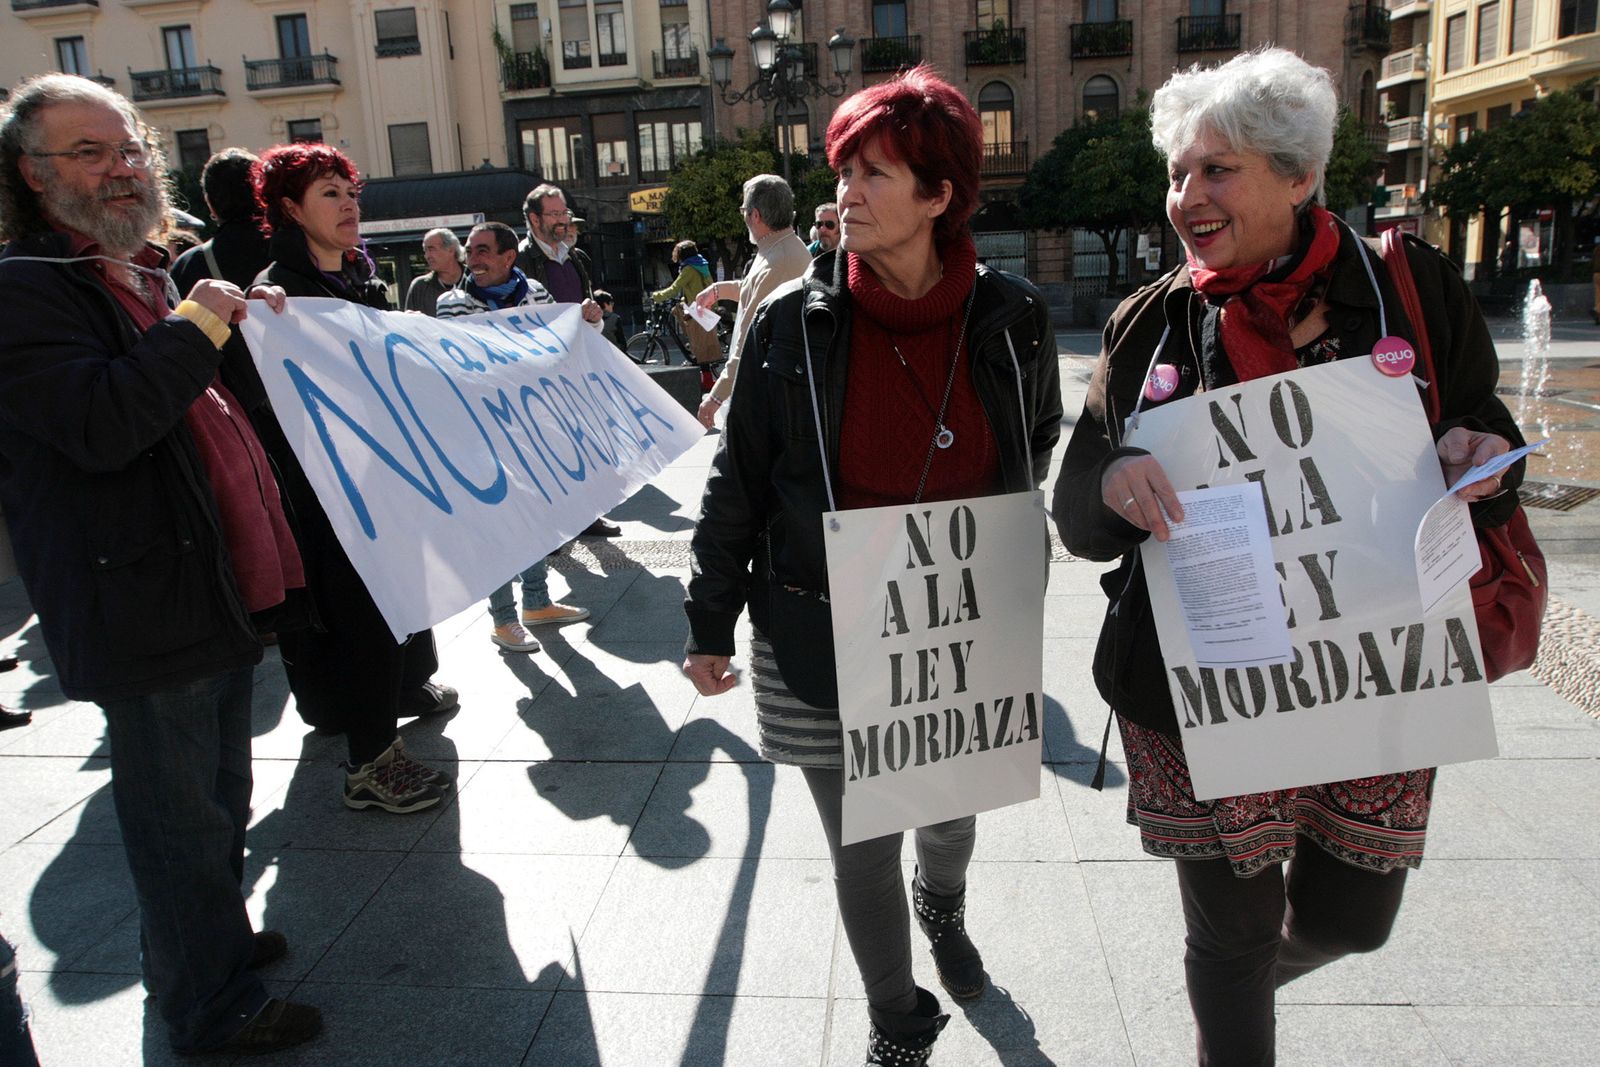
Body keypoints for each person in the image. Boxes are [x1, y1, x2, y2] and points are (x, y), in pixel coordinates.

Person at [1051, 48, 1525, 1066]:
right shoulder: (1147, 320)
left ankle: (1232, 993)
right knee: (1225, 933)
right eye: (1178, 172)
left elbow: (1486, 424)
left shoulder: (1405, 285)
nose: (1187, 196)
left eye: (1216, 169)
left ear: (1298, 174)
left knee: (1355, 919)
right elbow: (1076, 511)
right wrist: (1110, 482)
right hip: (1198, 686)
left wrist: (1481, 455)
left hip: (1369, 674)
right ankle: (1229, 1008)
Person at [681, 66, 1062, 1066]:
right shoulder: (788, 325)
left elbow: (1037, 436)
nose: (846, 191)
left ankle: (944, 902)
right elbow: (739, 482)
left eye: (875, 173)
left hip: (957, 619)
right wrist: (705, 619)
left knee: (944, 819)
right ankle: (897, 1018)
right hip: (818, 626)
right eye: (844, 170)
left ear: (939, 196)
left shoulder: (1010, 315)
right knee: (860, 846)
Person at [0, 73, 319, 1055]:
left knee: (218, 802)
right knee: (178, 823)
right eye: (90, 152)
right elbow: (106, 422)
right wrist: (199, 324)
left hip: (207, 590)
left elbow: (187, 412)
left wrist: (229, 328)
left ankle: (209, 945)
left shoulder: (137, 276)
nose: (122, 168)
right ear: (29, 174)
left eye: (129, 148)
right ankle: (206, 1003)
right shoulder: (22, 290)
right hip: (142, 605)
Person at [252, 142, 459, 814]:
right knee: (361, 617)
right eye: (329, 194)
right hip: (328, 496)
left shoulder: (359, 280)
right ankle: (369, 764)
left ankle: (391, 704)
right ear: (289, 208)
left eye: (351, 192)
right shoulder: (278, 296)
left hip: (384, 481)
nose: (349, 206)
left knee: (395, 605)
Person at [436, 221, 590, 652]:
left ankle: (537, 602)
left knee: (536, 517)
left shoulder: (537, 294)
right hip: (481, 433)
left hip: (532, 430)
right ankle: (503, 619)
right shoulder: (453, 304)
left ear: (508, 257)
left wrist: (586, 323)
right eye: (470, 250)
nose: (474, 258)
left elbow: (554, 348)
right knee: (498, 527)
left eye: (483, 250)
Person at [517, 184, 620, 537]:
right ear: (534, 219)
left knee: (582, 441)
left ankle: (587, 515)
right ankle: (553, 527)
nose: (563, 221)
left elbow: (585, 310)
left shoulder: (576, 257)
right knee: (548, 447)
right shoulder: (519, 261)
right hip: (539, 371)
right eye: (555, 214)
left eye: (565, 214)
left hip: (575, 367)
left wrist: (592, 316)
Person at [693, 174, 810, 429]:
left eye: (743, 210)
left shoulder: (778, 259)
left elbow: (748, 340)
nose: (743, 216)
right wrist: (717, 290)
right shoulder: (781, 247)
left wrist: (716, 396)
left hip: (770, 395)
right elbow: (753, 289)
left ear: (755, 215)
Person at [651, 238, 721, 366]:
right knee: (677, 309)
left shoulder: (689, 269)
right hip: (704, 304)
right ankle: (692, 344)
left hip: (697, 308)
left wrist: (656, 296)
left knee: (700, 347)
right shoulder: (700, 264)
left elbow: (674, 289)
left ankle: (704, 373)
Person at [404, 226, 465, 316]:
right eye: (425, 251)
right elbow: (409, 325)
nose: (427, 256)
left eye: (431, 249)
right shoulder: (420, 287)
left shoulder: (476, 279)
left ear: (451, 250)